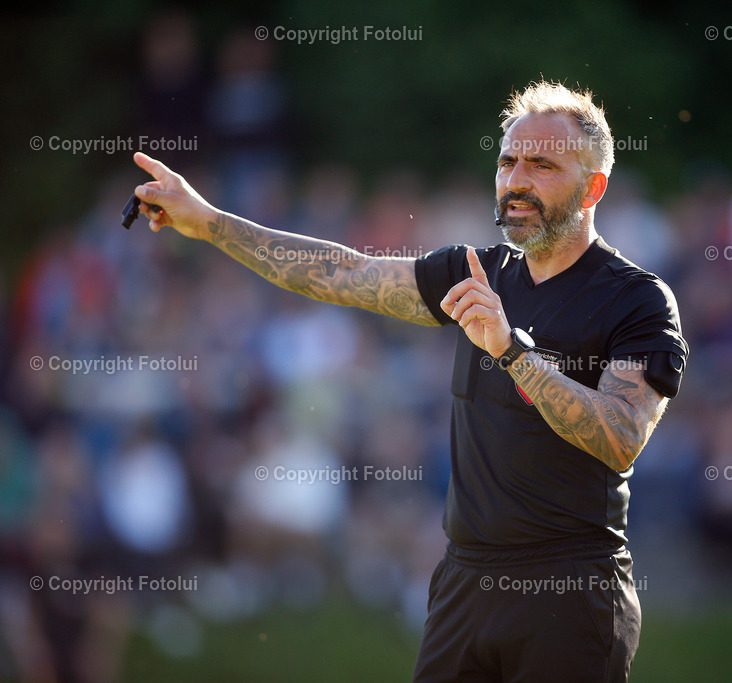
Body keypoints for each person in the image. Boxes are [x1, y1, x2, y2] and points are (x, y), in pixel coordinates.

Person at [132, 80, 687, 682]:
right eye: (507, 161)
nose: (516, 178)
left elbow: (621, 433)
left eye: (542, 164)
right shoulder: (475, 272)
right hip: (464, 583)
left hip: (571, 589)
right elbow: (342, 272)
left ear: (594, 187)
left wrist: (512, 352)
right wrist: (211, 223)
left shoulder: (637, 299)